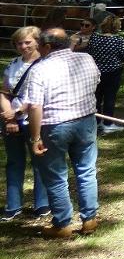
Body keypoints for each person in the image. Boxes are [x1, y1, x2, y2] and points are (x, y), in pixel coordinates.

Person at [13, 28, 101, 238]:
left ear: (47, 47)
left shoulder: (41, 68)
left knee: (55, 176)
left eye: (40, 46)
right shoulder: (86, 58)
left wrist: (35, 138)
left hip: (55, 126)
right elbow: (97, 81)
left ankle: (62, 224)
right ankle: (89, 219)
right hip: (86, 121)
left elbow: (35, 106)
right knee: (87, 170)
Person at [1, 26, 48, 221]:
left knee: (40, 162)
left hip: (34, 119)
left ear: (38, 42)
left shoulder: (45, 65)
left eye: (27, 42)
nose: (23, 46)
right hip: (11, 119)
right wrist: (9, 116)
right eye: (19, 43)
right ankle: (13, 205)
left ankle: (42, 204)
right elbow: (4, 91)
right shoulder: (12, 64)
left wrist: (19, 111)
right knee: (14, 162)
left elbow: (40, 96)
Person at [84, 14, 124, 134]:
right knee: (110, 98)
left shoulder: (94, 37)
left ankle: (96, 122)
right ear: (116, 26)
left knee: (97, 97)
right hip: (113, 72)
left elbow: (89, 51)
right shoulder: (119, 40)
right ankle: (108, 124)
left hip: (96, 71)